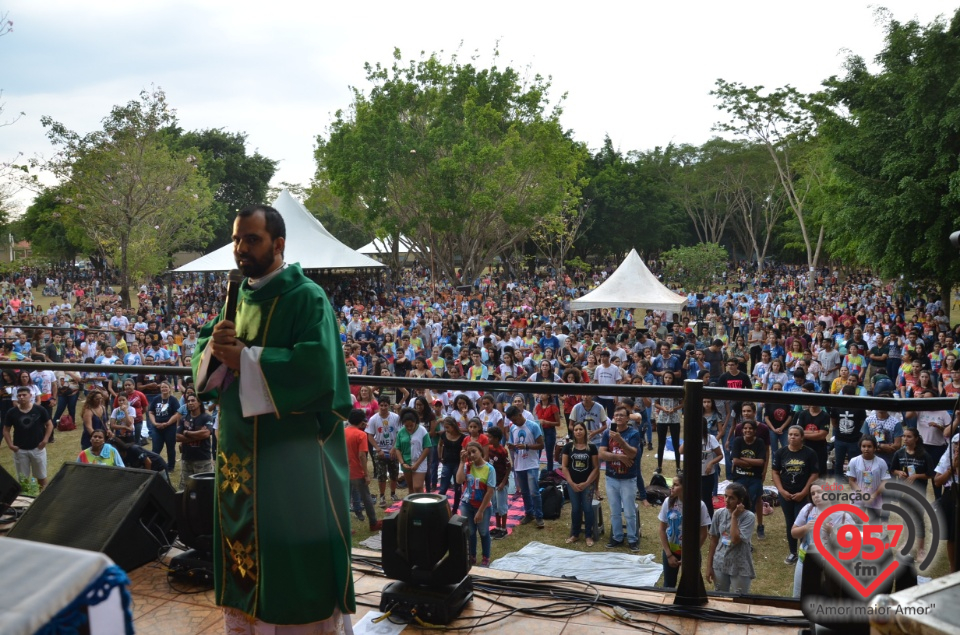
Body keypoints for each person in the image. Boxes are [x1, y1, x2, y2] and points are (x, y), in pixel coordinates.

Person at [192, 205, 355, 630]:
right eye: (237, 239)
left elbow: (319, 369)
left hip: (289, 455)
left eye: (252, 239)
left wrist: (245, 359)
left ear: (278, 244)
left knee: (290, 553)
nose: (240, 248)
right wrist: (216, 350)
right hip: (237, 453)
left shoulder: (306, 297)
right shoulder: (237, 295)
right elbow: (205, 359)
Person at [790, 482, 855, 596]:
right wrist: (805, 528)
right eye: (813, 493)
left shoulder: (843, 515)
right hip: (805, 560)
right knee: (799, 595)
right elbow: (793, 533)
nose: (816, 496)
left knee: (828, 597)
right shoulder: (808, 509)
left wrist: (833, 532)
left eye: (820, 492)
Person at [772, 425, 819, 565]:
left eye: (796, 435)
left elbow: (814, 473)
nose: (792, 437)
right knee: (790, 522)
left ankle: (804, 550)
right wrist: (782, 491)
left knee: (802, 523)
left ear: (802, 437)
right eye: (790, 434)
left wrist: (804, 492)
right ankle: (793, 552)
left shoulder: (810, 453)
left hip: (803, 495)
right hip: (786, 494)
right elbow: (775, 472)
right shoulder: (781, 452)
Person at [599, 406, 641, 551]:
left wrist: (620, 441)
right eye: (616, 415)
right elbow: (602, 454)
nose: (618, 418)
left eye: (622, 415)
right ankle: (617, 537)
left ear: (628, 418)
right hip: (611, 477)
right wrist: (619, 457)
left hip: (628, 478)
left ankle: (632, 539)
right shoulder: (607, 433)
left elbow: (633, 454)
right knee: (614, 510)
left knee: (629, 511)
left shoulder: (633, 434)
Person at [659, 473, 711, 589]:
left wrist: (691, 554)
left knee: (691, 587)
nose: (671, 487)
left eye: (676, 485)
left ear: (685, 487)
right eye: (672, 484)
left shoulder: (699, 505)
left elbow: (703, 533)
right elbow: (662, 530)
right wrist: (668, 555)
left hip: (691, 552)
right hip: (671, 551)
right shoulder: (668, 502)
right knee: (668, 586)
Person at [707, 482, 757, 594]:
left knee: (739, 599)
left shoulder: (749, 517)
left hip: (739, 563)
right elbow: (714, 540)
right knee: (720, 596)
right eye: (725, 496)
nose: (726, 500)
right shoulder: (718, 514)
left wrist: (734, 516)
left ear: (740, 500)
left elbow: (735, 539)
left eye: (731, 498)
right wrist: (709, 566)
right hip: (720, 561)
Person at [3, 386, 54, 490]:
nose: (21, 397)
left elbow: (49, 425)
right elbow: (6, 430)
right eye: (19, 395)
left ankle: (43, 500)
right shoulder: (12, 412)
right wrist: (10, 445)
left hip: (37, 448)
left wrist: (45, 440)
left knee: (42, 478)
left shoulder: (39, 409)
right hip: (20, 450)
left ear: (30, 396)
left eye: (24, 395)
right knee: (23, 480)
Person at [505, 404, 545, 528]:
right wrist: (512, 447)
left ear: (520, 414)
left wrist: (527, 446)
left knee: (534, 492)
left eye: (515, 419)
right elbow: (513, 444)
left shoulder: (533, 426)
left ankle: (539, 516)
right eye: (511, 421)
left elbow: (541, 445)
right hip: (519, 464)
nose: (514, 422)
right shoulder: (512, 428)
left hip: (531, 463)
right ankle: (529, 513)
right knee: (525, 492)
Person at [457, 441, 496, 567]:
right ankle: (472, 556)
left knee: (484, 532)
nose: (472, 455)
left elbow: (490, 492)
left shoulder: (489, 469)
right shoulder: (467, 466)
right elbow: (459, 480)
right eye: (469, 453)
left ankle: (486, 557)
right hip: (467, 504)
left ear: (481, 452)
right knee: (471, 532)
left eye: (474, 451)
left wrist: (480, 511)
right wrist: (462, 462)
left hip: (483, 506)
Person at [561, 421, 600, 546]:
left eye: (581, 429)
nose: (578, 431)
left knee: (587, 509)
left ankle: (588, 535)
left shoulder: (592, 447)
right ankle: (575, 534)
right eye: (576, 429)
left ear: (585, 431)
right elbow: (564, 467)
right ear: (573, 432)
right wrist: (571, 483)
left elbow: (596, 468)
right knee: (576, 509)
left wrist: (588, 482)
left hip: (587, 484)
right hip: (573, 484)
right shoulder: (568, 447)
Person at [345, 409, 382, 532]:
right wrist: (366, 474)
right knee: (366, 497)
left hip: (344, 471)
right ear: (362, 422)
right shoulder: (361, 435)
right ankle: (373, 522)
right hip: (356, 472)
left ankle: (345, 528)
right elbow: (362, 456)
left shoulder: (342, 432)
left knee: (345, 499)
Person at [731, 419, 767, 538]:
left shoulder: (760, 442)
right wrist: (752, 462)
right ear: (742, 430)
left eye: (750, 428)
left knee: (751, 505)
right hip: (739, 477)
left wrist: (743, 459)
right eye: (745, 428)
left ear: (755, 431)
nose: (748, 430)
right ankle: (737, 528)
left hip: (754, 478)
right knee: (738, 503)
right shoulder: (738, 441)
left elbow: (761, 461)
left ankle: (750, 531)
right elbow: (734, 460)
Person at [846, 434, 892, 524]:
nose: (866, 449)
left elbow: (885, 481)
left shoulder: (881, 462)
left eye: (869, 446)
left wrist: (874, 495)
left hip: (875, 498)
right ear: (860, 447)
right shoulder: (854, 461)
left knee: (874, 525)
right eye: (864, 446)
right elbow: (851, 481)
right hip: (858, 498)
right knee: (856, 524)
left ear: (875, 447)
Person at [176, 393, 215, 489]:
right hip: (186, 459)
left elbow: (206, 434)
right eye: (188, 401)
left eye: (193, 400)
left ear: (199, 403)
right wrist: (198, 434)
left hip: (202, 459)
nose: (190, 403)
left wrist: (187, 433)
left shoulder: (206, 417)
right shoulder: (184, 419)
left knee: (204, 489)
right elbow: (177, 437)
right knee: (185, 488)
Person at [368, 397, 401, 506]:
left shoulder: (396, 417)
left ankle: (393, 493)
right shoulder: (373, 419)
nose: (383, 407)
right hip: (379, 451)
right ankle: (382, 496)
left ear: (389, 405)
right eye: (381, 405)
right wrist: (378, 449)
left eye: (385, 405)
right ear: (378, 405)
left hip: (393, 450)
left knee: (394, 473)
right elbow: (370, 435)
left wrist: (394, 448)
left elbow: (399, 434)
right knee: (381, 475)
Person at [393, 407, 433, 493]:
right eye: (406, 426)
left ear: (415, 422)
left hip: (419, 461)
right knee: (410, 488)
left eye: (411, 425)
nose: (409, 428)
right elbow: (397, 448)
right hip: (406, 462)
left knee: (417, 487)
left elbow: (427, 447)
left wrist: (417, 463)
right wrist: (402, 463)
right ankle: (412, 505)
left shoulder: (422, 431)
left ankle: (421, 505)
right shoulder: (401, 432)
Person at [831, 385, 866, 480]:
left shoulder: (859, 407)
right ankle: (838, 480)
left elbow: (862, 423)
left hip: (854, 439)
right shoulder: (836, 406)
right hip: (840, 438)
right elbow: (834, 422)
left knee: (854, 462)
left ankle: (853, 479)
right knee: (838, 462)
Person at [147, 381, 181, 473]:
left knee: (170, 448)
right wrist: (154, 423)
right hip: (157, 428)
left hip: (170, 428)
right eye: (162, 387)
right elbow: (151, 412)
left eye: (166, 387)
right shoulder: (156, 399)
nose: (164, 389)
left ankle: (171, 467)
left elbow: (177, 413)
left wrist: (168, 423)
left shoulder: (173, 400)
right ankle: (154, 466)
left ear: (169, 388)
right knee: (155, 449)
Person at [654, 370, 682, 475]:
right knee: (661, 443)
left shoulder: (677, 389)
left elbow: (682, 403)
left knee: (676, 442)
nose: (668, 380)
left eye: (670, 378)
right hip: (662, 418)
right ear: (663, 378)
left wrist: (675, 409)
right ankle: (659, 466)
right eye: (666, 378)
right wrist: (662, 408)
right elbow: (656, 403)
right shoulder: (659, 389)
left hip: (674, 418)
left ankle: (678, 466)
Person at [486, 426, 512, 538]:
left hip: (501, 482)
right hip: (493, 482)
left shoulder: (502, 451)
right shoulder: (489, 448)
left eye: (490, 437)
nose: (488, 439)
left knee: (502, 506)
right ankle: (497, 526)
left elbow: (508, 467)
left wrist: (503, 482)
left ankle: (504, 528)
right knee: (495, 505)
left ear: (496, 438)